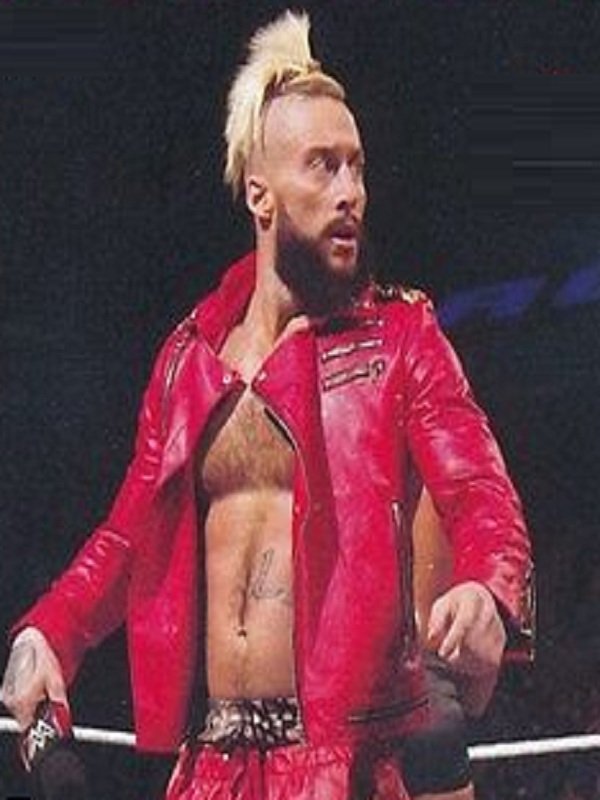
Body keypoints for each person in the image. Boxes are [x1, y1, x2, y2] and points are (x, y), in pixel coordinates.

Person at [1, 11, 532, 799]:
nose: (350, 193)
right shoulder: (189, 359)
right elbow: (127, 538)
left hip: (343, 764)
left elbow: (480, 489)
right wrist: (50, 630)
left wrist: (488, 586)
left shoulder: (400, 337)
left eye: (356, 168)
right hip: (212, 763)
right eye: (323, 167)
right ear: (261, 194)